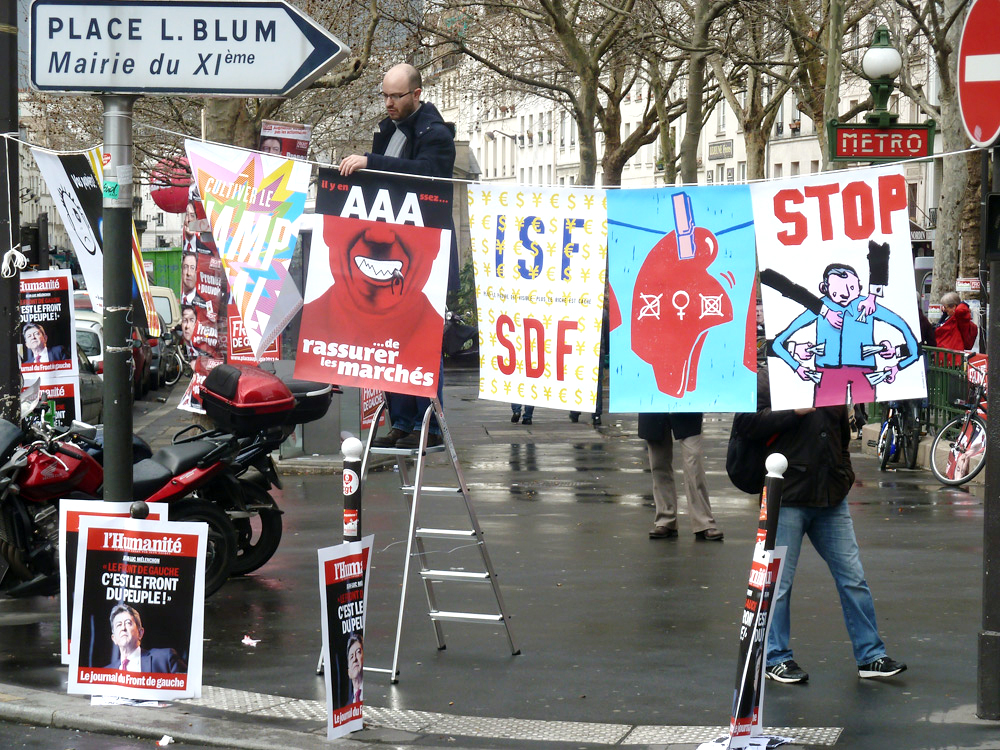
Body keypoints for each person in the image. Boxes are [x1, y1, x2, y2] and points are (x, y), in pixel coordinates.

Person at [734, 366, 906, 683]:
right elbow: (745, 424)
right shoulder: (769, 374)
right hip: (787, 495)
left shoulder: (832, 373)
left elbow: (840, 433)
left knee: (853, 577)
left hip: (830, 495)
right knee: (779, 583)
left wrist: (843, 472)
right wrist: (793, 412)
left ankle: (870, 655)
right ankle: (775, 657)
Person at [339, 62, 457, 450]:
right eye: (384, 95)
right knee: (389, 341)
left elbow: (422, 173)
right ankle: (403, 422)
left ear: (416, 95)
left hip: (424, 258)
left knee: (421, 342)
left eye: (396, 96)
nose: (388, 103)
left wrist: (371, 163)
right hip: (390, 252)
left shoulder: (436, 134)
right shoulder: (388, 131)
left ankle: (430, 426)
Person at [639, 412, 723, 541]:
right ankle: (665, 519)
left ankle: (703, 522)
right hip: (653, 405)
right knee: (658, 463)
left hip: (686, 403)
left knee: (693, 461)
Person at [104, 603, 186, 673]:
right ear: (114, 638)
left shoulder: (165, 659)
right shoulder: (105, 673)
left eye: (128, 623)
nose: (123, 628)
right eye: (119, 625)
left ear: (140, 633)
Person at [344, 633, 363, 706]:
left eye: (358, 652)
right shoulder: (347, 707)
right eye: (351, 657)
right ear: (348, 671)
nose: (355, 659)